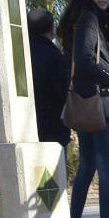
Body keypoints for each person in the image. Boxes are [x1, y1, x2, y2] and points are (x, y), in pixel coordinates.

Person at [57, 0, 109, 218]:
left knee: (87, 167)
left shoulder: (82, 20)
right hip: (101, 102)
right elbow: (84, 61)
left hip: (86, 101)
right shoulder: (89, 19)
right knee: (105, 166)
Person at [27, 9, 71, 152]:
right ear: (52, 28)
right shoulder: (54, 56)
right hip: (53, 127)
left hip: (25, 128)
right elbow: (63, 92)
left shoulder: (18, 54)